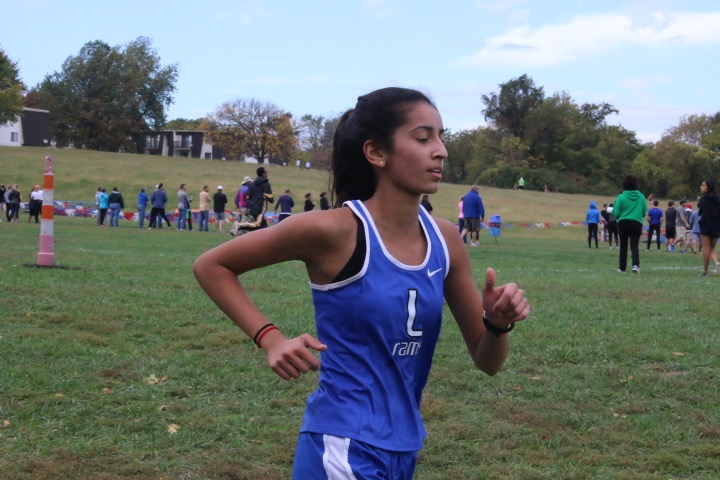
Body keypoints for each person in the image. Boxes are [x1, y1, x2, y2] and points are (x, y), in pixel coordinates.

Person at [193, 87, 530, 478]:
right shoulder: (335, 230)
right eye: (423, 138)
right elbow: (212, 265)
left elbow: (487, 362)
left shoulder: (446, 238)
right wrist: (270, 338)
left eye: (441, 137)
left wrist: (498, 323)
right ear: (377, 153)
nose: (440, 150)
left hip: (404, 448)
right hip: (342, 444)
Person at [613, 175, 647, 273]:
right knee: (634, 245)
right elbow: (644, 211)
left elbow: (616, 212)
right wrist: (638, 216)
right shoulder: (641, 197)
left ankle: (622, 267)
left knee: (623, 246)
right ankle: (635, 265)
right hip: (636, 223)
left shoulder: (621, 197)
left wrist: (619, 217)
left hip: (623, 223)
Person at [697, 178, 720, 276]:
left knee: (706, 248)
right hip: (717, 225)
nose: (701, 187)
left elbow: (701, 211)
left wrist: (699, 201)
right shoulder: (718, 198)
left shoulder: (704, 198)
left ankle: (705, 272)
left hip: (706, 224)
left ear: (708, 188)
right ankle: (717, 263)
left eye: (703, 185)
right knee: (712, 249)